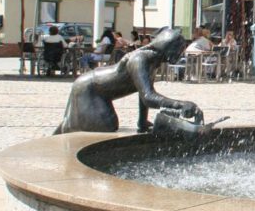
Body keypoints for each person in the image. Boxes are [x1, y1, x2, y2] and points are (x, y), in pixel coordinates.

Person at [55, 27, 200, 134]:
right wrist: (180, 105)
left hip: (98, 88)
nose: (181, 53)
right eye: (180, 49)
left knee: (105, 123)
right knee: (106, 125)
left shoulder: (153, 61)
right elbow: (148, 97)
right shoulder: (140, 59)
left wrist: (142, 123)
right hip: (89, 88)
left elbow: (143, 92)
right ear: (169, 48)